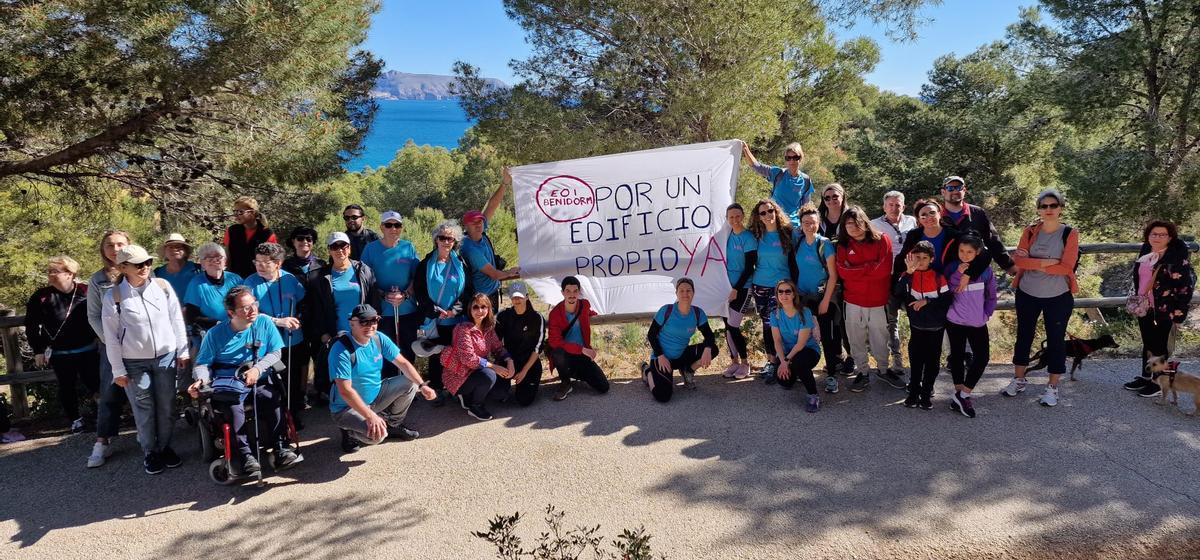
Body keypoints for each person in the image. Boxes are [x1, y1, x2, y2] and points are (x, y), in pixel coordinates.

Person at [188, 287, 299, 475]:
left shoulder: (263, 322)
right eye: (245, 308)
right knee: (233, 408)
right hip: (229, 383)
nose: (253, 310)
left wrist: (257, 368)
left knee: (272, 397)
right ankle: (246, 456)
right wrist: (200, 380)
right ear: (231, 312)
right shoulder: (215, 334)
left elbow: (275, 353)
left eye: (254, 304)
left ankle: (280, 447)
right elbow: (203, 363)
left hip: (258, 379)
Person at [101, 245, 190, 475]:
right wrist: (117, 370)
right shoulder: (114, 296)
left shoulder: (162, 286)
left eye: (148, 263)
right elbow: (110, 337)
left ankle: (165, 447)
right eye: (138, 264)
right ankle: (150, 451)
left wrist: (182, 350)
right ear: (123, 267)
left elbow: (176, 320)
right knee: (144, 407)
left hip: (166, 357)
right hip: (133, 361)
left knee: (168, 405)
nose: (145, 268)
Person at [1004, 189, 1080, 407]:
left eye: (1053, 206)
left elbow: (1066, 267)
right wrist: (1047, 262)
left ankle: (1052, 387)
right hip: (1027, 293)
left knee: (1056, 341)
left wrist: (1034, 261)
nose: (1048, 210)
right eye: (1044, 206)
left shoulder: (1070, 234)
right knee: (1023, 336)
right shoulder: (1029, 232)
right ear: (1038, 209)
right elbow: (1019, 261)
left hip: (1057, 296)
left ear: (1061, 209)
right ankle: (1019, 379)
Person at [328, 304, 436, 453]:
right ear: (352, 323)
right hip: (346, 408)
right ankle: (348, 431)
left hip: (375, 397)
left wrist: (423, 385)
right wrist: (370, 415)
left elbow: (403, 363)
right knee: (377, 436)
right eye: (364, 322)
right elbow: (345, 391)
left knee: (410, 383)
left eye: (374, 320)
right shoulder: (341, 349)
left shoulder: (379, 338)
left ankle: (392, 425)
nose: (370, 325)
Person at [1122, 221, 1196, 397]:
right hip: (1145, 306)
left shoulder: (1175, 258)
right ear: (1148, 236)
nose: (1157, 237)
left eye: (1162, 234)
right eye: (1154, 234)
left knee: (1159, 347)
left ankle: (1158, 382)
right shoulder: (1146, 253)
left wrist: (1179, 315)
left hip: (1165, 309)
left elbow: (1184, 287)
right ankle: (1147, 376)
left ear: (1170, 237)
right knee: (1148, 344)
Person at [25, 255, 99, 432]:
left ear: (70, 273)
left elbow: (101, 315)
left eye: (55, 271)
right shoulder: (41, 297)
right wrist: (38, 350)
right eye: (49, 271)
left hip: (88, 349)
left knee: (96, 384)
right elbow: (31, 325)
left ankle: (103, 416)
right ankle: (76, 420)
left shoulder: (86, 291)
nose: (50, 275)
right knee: (66, 387)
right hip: (59, 353)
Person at [307, 231, 379, 402]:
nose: (340, 250)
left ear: (349, 248)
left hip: (363, 331)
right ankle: (343, 411)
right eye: (334, 246)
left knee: (362, 370)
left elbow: (373, 301)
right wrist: (324, 333)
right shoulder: (320, 276)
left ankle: (365, 405)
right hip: (337, 333)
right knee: (342, 374)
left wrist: (373, 326)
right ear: (329, 250)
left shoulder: (363, 270)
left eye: (343, 246)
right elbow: (316, 309)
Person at [243, 243, 308, 428]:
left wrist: (299, 317)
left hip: (293, 339)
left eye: (265, 262)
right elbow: (250, 313)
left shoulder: (290, 279)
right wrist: (277, 321)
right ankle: (276, 420)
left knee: (292, 381)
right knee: (274, 382)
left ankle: (293, 415)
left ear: (278, 263)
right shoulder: (250, 283)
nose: (260, 266)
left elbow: (303, 303)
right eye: (257, 261)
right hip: (266, 343)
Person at [85, 230, 132, 468]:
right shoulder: (97, 280)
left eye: (120, 244)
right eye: (110, 245)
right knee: (110, 391)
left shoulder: (143, 271)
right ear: (103, 251)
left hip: (142, 345)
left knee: (148, 390)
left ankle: (153, 438)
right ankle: (102, 441)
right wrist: (112, 343)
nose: (115, 249)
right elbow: (93, 316)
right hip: (111, 345)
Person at [836, 206, 894, 393]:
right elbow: (843, 273)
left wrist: (857, 270)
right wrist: (869, 267)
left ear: (864, 221)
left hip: (878, 300)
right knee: (856, 339)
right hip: (852, 300)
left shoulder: (882, 239)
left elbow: (884, 270)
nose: (852, 227)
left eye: (855, 222)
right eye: (847, 224)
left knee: (880, 338)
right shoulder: (843, 245)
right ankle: (862, 372)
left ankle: (884, 370)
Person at [413, 220, 474, 400]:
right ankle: (437, 389)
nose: (446, 241)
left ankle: (455, 387)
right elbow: (419, 291)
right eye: (442, 238)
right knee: (436, 354)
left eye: (450, 238)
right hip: (434, 319)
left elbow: (468, 290)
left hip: (456, 318)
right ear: (436, 240)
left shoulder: (461, 263)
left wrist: (455, 310)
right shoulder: (425, 264)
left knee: (456, 353)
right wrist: (435, 310)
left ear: (455, 242)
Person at [894, 241, 953, 411]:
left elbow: (947, 300)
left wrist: (926, 301)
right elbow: (897, 292)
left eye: (924, 258)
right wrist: (908, 273)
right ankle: (913, 393)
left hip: (936, 328)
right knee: (916, 361)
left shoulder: (938, 277)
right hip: (917, 328)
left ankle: (926, 394)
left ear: (931, 259)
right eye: (917, 257)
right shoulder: (908, 276)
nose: (920, 261)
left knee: (932, 363)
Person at [793, 204, 845, 392]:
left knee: (828, 337)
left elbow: (833, 275)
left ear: (819, 223)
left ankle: (831, 375)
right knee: (805, 335)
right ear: (801, 224)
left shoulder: (824, 244)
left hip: (823, 297)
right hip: (803, 298)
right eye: (806, 223)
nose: (810, 226)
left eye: (813, 222)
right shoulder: (798, 242)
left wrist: (825, 300)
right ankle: (803, 369)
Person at [360, 211, 422, 370]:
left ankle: (409, 390)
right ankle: (389, 389)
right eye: (388, 225)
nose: (393, 228)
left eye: (397, 225)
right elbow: (365, 280)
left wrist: (406, 294)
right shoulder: (370, 249)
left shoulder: (408, 247)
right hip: (381, 312)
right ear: (382, 227)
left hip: (407, 310)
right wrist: (383, 294)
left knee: (408, 351)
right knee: (384, 353)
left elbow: (418, 277)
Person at [642, 278, 719, 403]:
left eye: (688, 290)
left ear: (693, 293)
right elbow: (651, 335)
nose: (685, 294)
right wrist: (660, 355)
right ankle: (647, 372)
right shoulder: (666, 311)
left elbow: (709, 335)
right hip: (662, 359)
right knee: (663, 396)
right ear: (676, 293)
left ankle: (688, 371)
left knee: (713, 349)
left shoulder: (698, 313)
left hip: (681, 356)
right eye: (681, 290)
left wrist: (707, 349)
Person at [944, 236, 997, 418]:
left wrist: (987, 314)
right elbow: (948, 290)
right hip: (955, 321)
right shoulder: (952, 267)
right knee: (957, 357)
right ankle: (960, 394)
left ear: (977, 253)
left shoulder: (985, 270)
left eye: (969, 252)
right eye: (961, 251)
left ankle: (963, 394)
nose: (965, 255)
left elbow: (991, 295)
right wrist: (958, 274)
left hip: (977, 322)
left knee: (982, 358)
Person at [441, 293, 515, 421]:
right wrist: (493, 366)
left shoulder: (488, 328)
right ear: (470, 309)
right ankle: (475, 406)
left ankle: (470, 395)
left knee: (501, 392)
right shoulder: (463, 329)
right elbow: (468, 358)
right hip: (460, 376)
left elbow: (498, 347)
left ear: (488, 309)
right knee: (489, 375)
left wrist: (510, 360)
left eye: (483, 307)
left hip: (478, 372)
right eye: (475, 307)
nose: (480, 311)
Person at [748, 199, 794, 383]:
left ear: (776, 211)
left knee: (776, 323)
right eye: (763, 213)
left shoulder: (788, 234)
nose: (767, 215)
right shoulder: (755, 235)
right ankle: (771, 361)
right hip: (760, 285)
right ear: (758, 217)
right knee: (766, 323)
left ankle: (784, 361)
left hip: (781, 287)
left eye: (770, 211)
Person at [873, 191, 918, 380]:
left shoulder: (913, 221)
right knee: (892, 321)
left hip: (911, 276)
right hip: (888, 278)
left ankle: (918, 359)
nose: (894, 208)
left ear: (903, 206)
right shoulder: (874, 224)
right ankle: (896, 359)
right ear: (884, 207)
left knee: (917, 318)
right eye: (890, 204)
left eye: (897, 204)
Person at [461, 168, 521, 310]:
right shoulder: (470, 248)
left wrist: (505, 183)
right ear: (466, 226)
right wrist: (510, 273)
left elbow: (492, 204)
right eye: (474, 223)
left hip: (492, 292)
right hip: (481, 298)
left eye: (480, 221)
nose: (478, 225)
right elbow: (494, 274)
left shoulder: (480, 232)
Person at [546, 276, 610, 401]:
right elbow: (554, 341)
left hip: (582, 356)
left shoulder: (584, 305)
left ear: (579, 292)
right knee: (557, 351)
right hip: (566, 355)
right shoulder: (555, 313)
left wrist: (597, 315)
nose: (572, 295)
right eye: (568, 291)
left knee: (604, 387)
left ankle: (576, 372)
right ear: (562, 292)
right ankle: (566, 382)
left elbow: (588, 313)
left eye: (575, 291)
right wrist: (582, 349)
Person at [282, 226, 326, 404]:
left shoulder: (322, 265)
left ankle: (320, 391)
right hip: (295, 319)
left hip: (317, 318)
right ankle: (299, 395)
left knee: (319, 356)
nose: (304, 242)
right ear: (293, 242)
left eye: (309, 239)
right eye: (300, 238)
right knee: (299, 359)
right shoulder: (285, 266)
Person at [940, 176, 1016, 275]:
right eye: (950, 188)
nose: (955, 191)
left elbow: (992, 240)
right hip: (945, 273)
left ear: (964, 190)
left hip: (976, 271)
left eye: (958, 188)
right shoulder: (935, 214)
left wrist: (1008, 265)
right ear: (943, 192)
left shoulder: (977, 213)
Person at [769, 279, 823, 413]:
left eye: (788, 291)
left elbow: (800, 344)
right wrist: (782, 362)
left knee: (799, 362)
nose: (784, 295)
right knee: (784, 382)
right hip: (787, 354)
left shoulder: (804, 312)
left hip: (808, 351)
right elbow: (777, 341)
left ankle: (813, 396)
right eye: (780, 292)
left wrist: (786, 361)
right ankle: (798, 373)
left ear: (794, 294)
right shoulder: (774, 314)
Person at [183, 243, 245, 354]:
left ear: (225, 260)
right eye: (208, 258)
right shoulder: (196, 283)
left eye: (218, 257)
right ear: (202, 263)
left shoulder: (235, 279)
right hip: (210, 334)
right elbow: (191, 315)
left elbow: (247, 304)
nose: (214, 260)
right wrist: (218, 323)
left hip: (239, 331)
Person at [495, 282, 547, 406]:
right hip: (508, 359)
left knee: (524, 400)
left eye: (520, 296)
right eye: (514, 297)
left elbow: (538, 347)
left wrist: (524, 371)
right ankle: (504, 389)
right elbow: (496, 343)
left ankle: (526, 382)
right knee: (498, 394)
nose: (517, 299)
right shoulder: (503, 316)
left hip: (529, 361)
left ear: (527, 297)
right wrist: (509, 361)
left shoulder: (536, 317)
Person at [722, 203, 756, 379]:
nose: (734, 220)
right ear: (727, 219)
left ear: (742, 216)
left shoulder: (748, 237)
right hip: (725, 288)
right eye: (731, 217)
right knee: (727, 327)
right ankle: (733, 362)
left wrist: (736, 288)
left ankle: (745, 363)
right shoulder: (726, 236)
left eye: (737, 216)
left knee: (734, 326)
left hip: (742, 288)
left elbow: (750, 267)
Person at [742, 142, 815, 223]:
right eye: (788, 158)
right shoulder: (778, 173)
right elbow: (757, 166)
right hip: (775, 220)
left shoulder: (806, 180)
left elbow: (805, 207)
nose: (792, 161)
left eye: (795, 157)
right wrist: (746, 150)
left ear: (800, 158)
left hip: (793, 224)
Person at [222, 196, 278, 278]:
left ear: (252, 212)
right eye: (235, 212)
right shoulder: (231, 231)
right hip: (235, 277)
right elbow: (228, 256)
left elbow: (271, 259)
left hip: (258, 278)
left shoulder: (267, 233)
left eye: (240, 212)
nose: (237, 215)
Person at [154, 233, 201, 302]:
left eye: (178, 246)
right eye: (170, 247)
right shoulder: (157, 273)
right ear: (165, 252)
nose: (175, 249)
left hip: (195, 312)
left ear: (185, 251)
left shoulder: (198, 269)